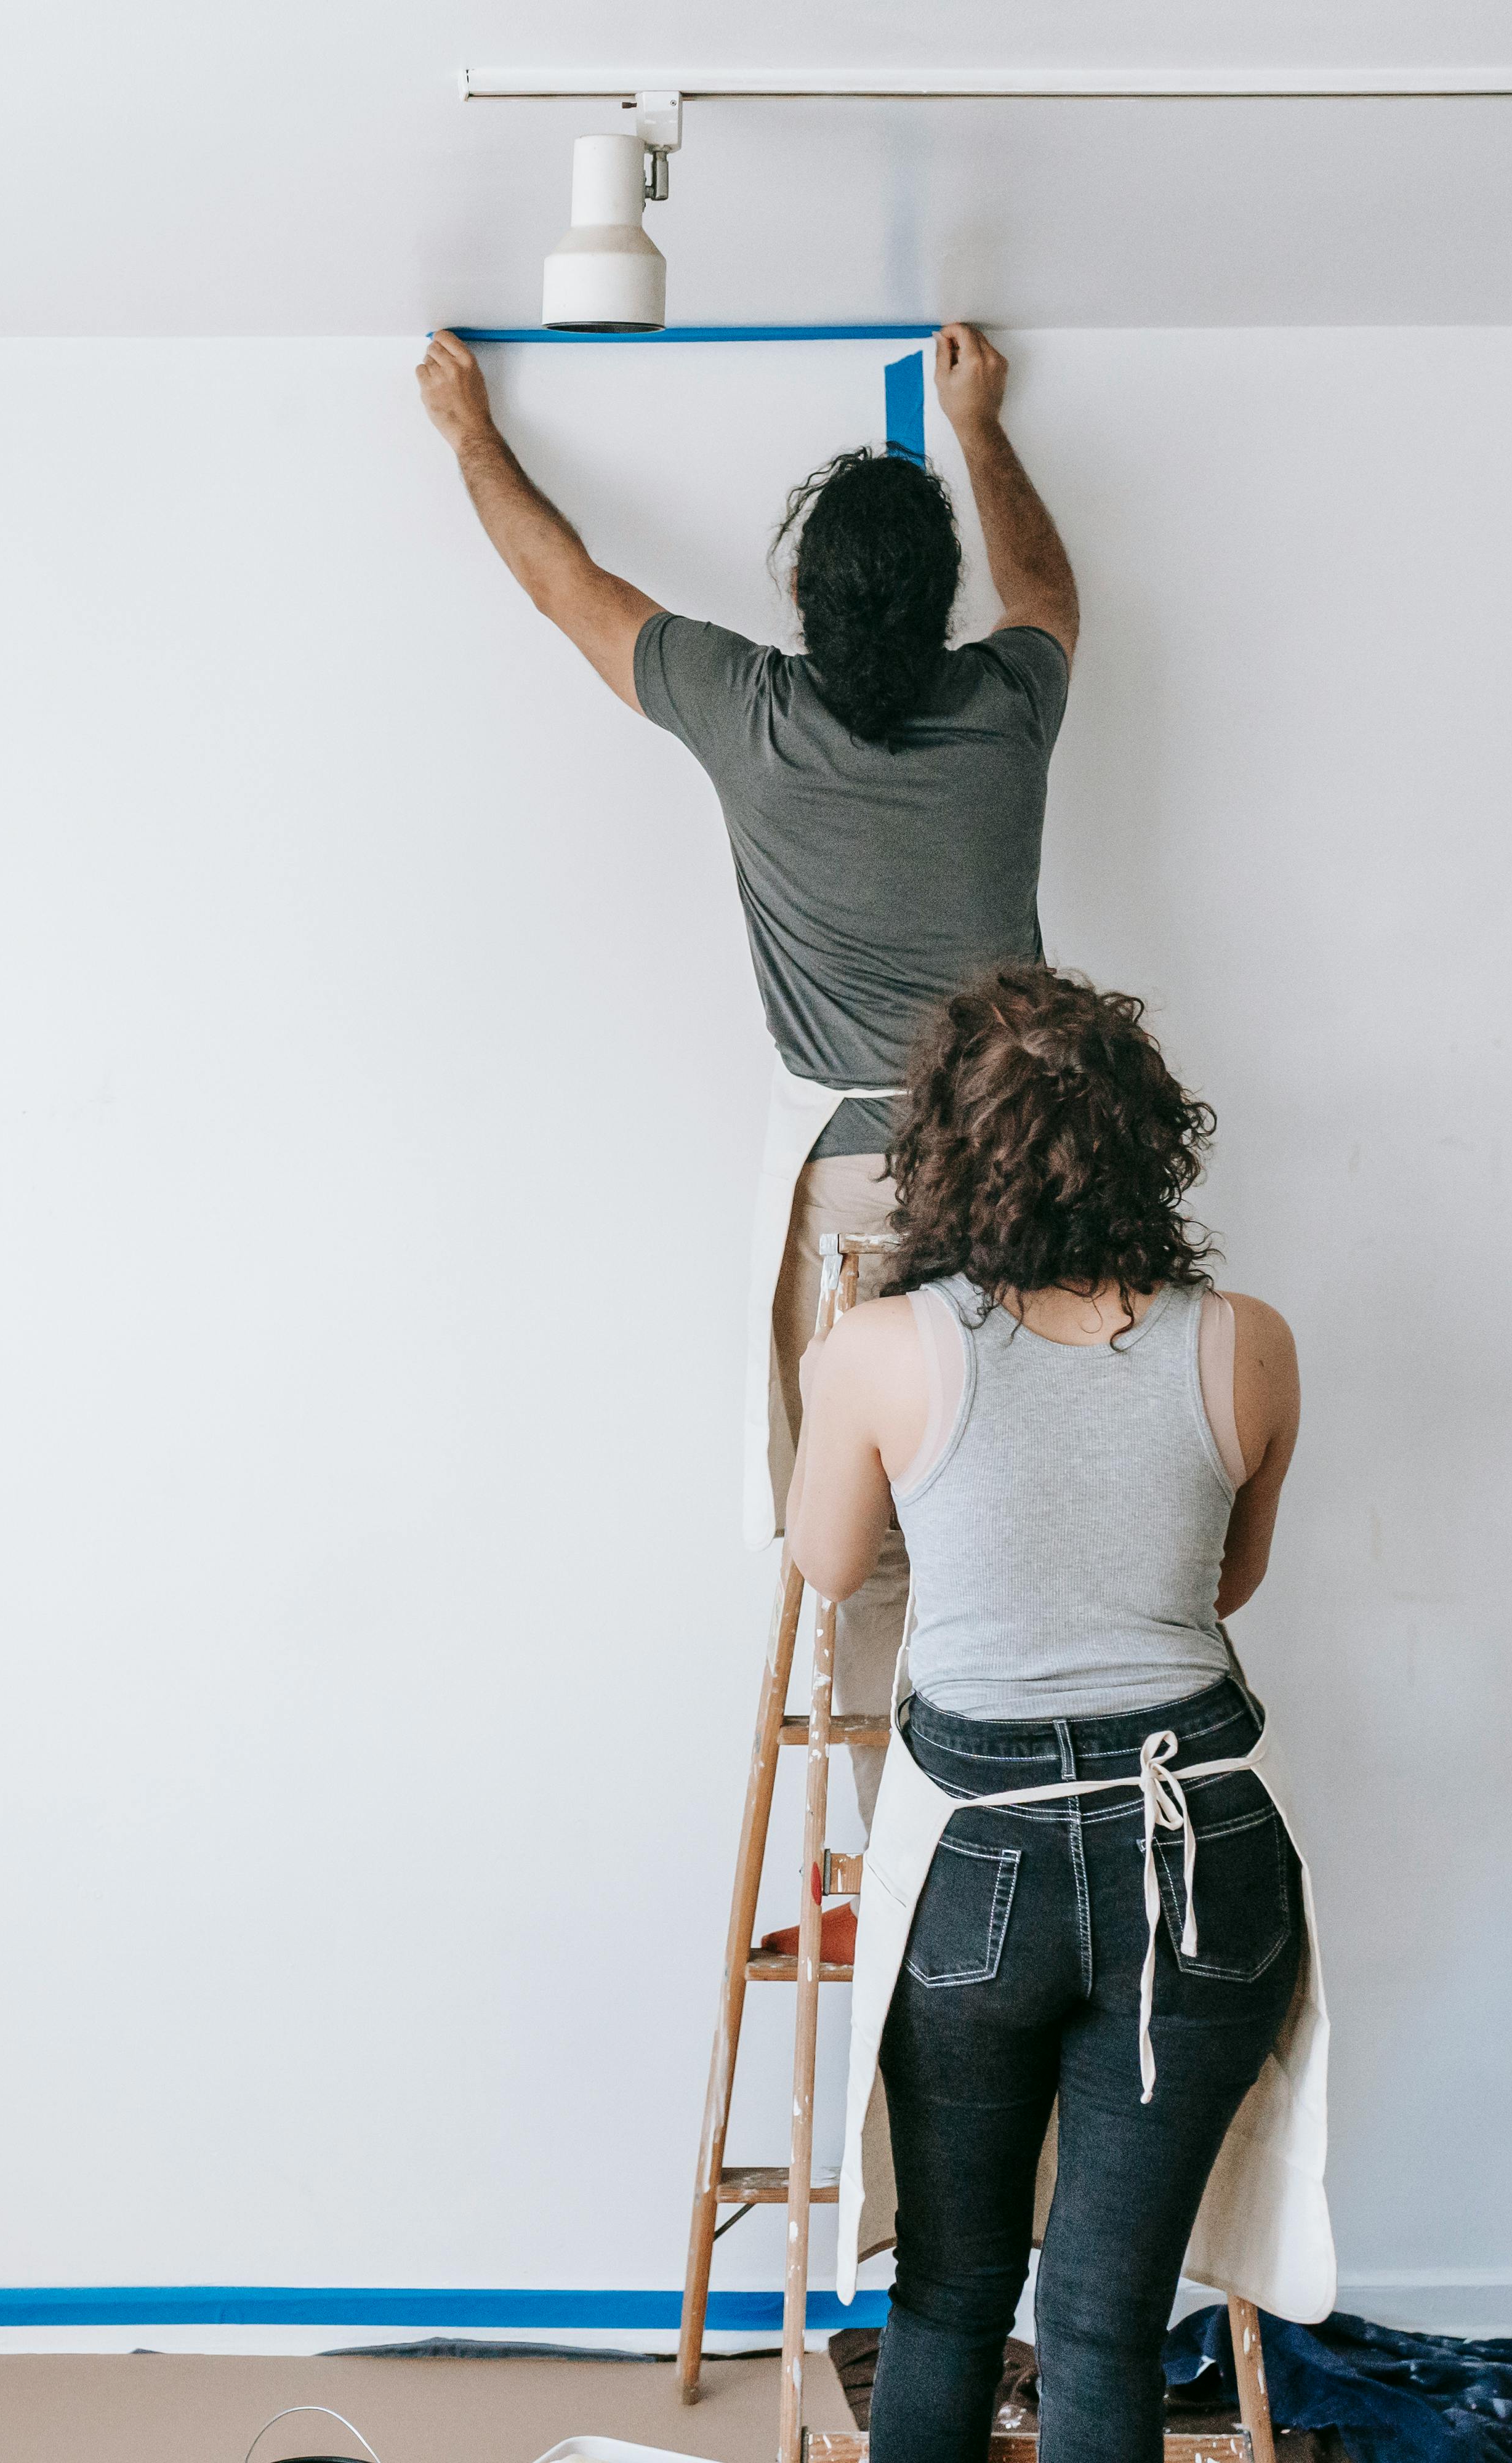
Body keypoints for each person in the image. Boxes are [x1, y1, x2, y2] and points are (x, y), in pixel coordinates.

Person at [412, 324, 1082, 1856]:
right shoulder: (1008, 711)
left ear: (801, 602)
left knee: (868, 1541)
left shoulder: (749, 710)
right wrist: (978, 426)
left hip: (857, 1204)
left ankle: (902, 1845)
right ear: (943, 610)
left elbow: (566, 586)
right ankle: (1012, 1832)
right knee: (1000, 1523)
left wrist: (467, 429)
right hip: (1022, 1189)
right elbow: (1051, 595)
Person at [787, 962, 1330, 2463]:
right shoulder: (1251, 1340)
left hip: (984, 1864)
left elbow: (831, 1564)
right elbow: (1224, 1582)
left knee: (954, 2295)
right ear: (1152, 1136)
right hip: (1200, 1859)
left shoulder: (881, 1351)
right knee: (1102, 2322)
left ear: (941, 1150)